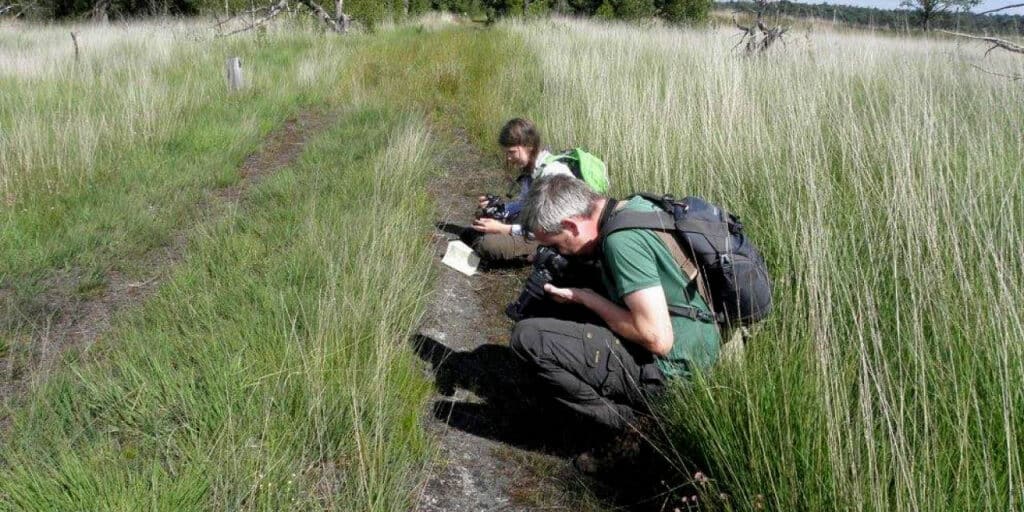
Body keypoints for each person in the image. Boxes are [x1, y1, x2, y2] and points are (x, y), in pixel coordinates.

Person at [510, 175, 721, 435]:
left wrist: (587, 298)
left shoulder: (621, 242)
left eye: (556, 244)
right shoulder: (634, 207)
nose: (560, 252)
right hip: (700, 341)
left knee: (529, 338)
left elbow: (657, 338)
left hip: (675, 370)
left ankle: (633, 427)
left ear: (571, 225)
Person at [460, 118, 574, 265]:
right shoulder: (532, 170)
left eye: (512, 152)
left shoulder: (553, 173)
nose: (508, 158)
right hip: (530, 226)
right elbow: (523, 204)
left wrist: (504, 229)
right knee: (475, 225)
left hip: (547, 237)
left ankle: (535, 255)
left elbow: (549, 228)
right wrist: (499, 208)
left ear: (529, 146)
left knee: (486, 245)